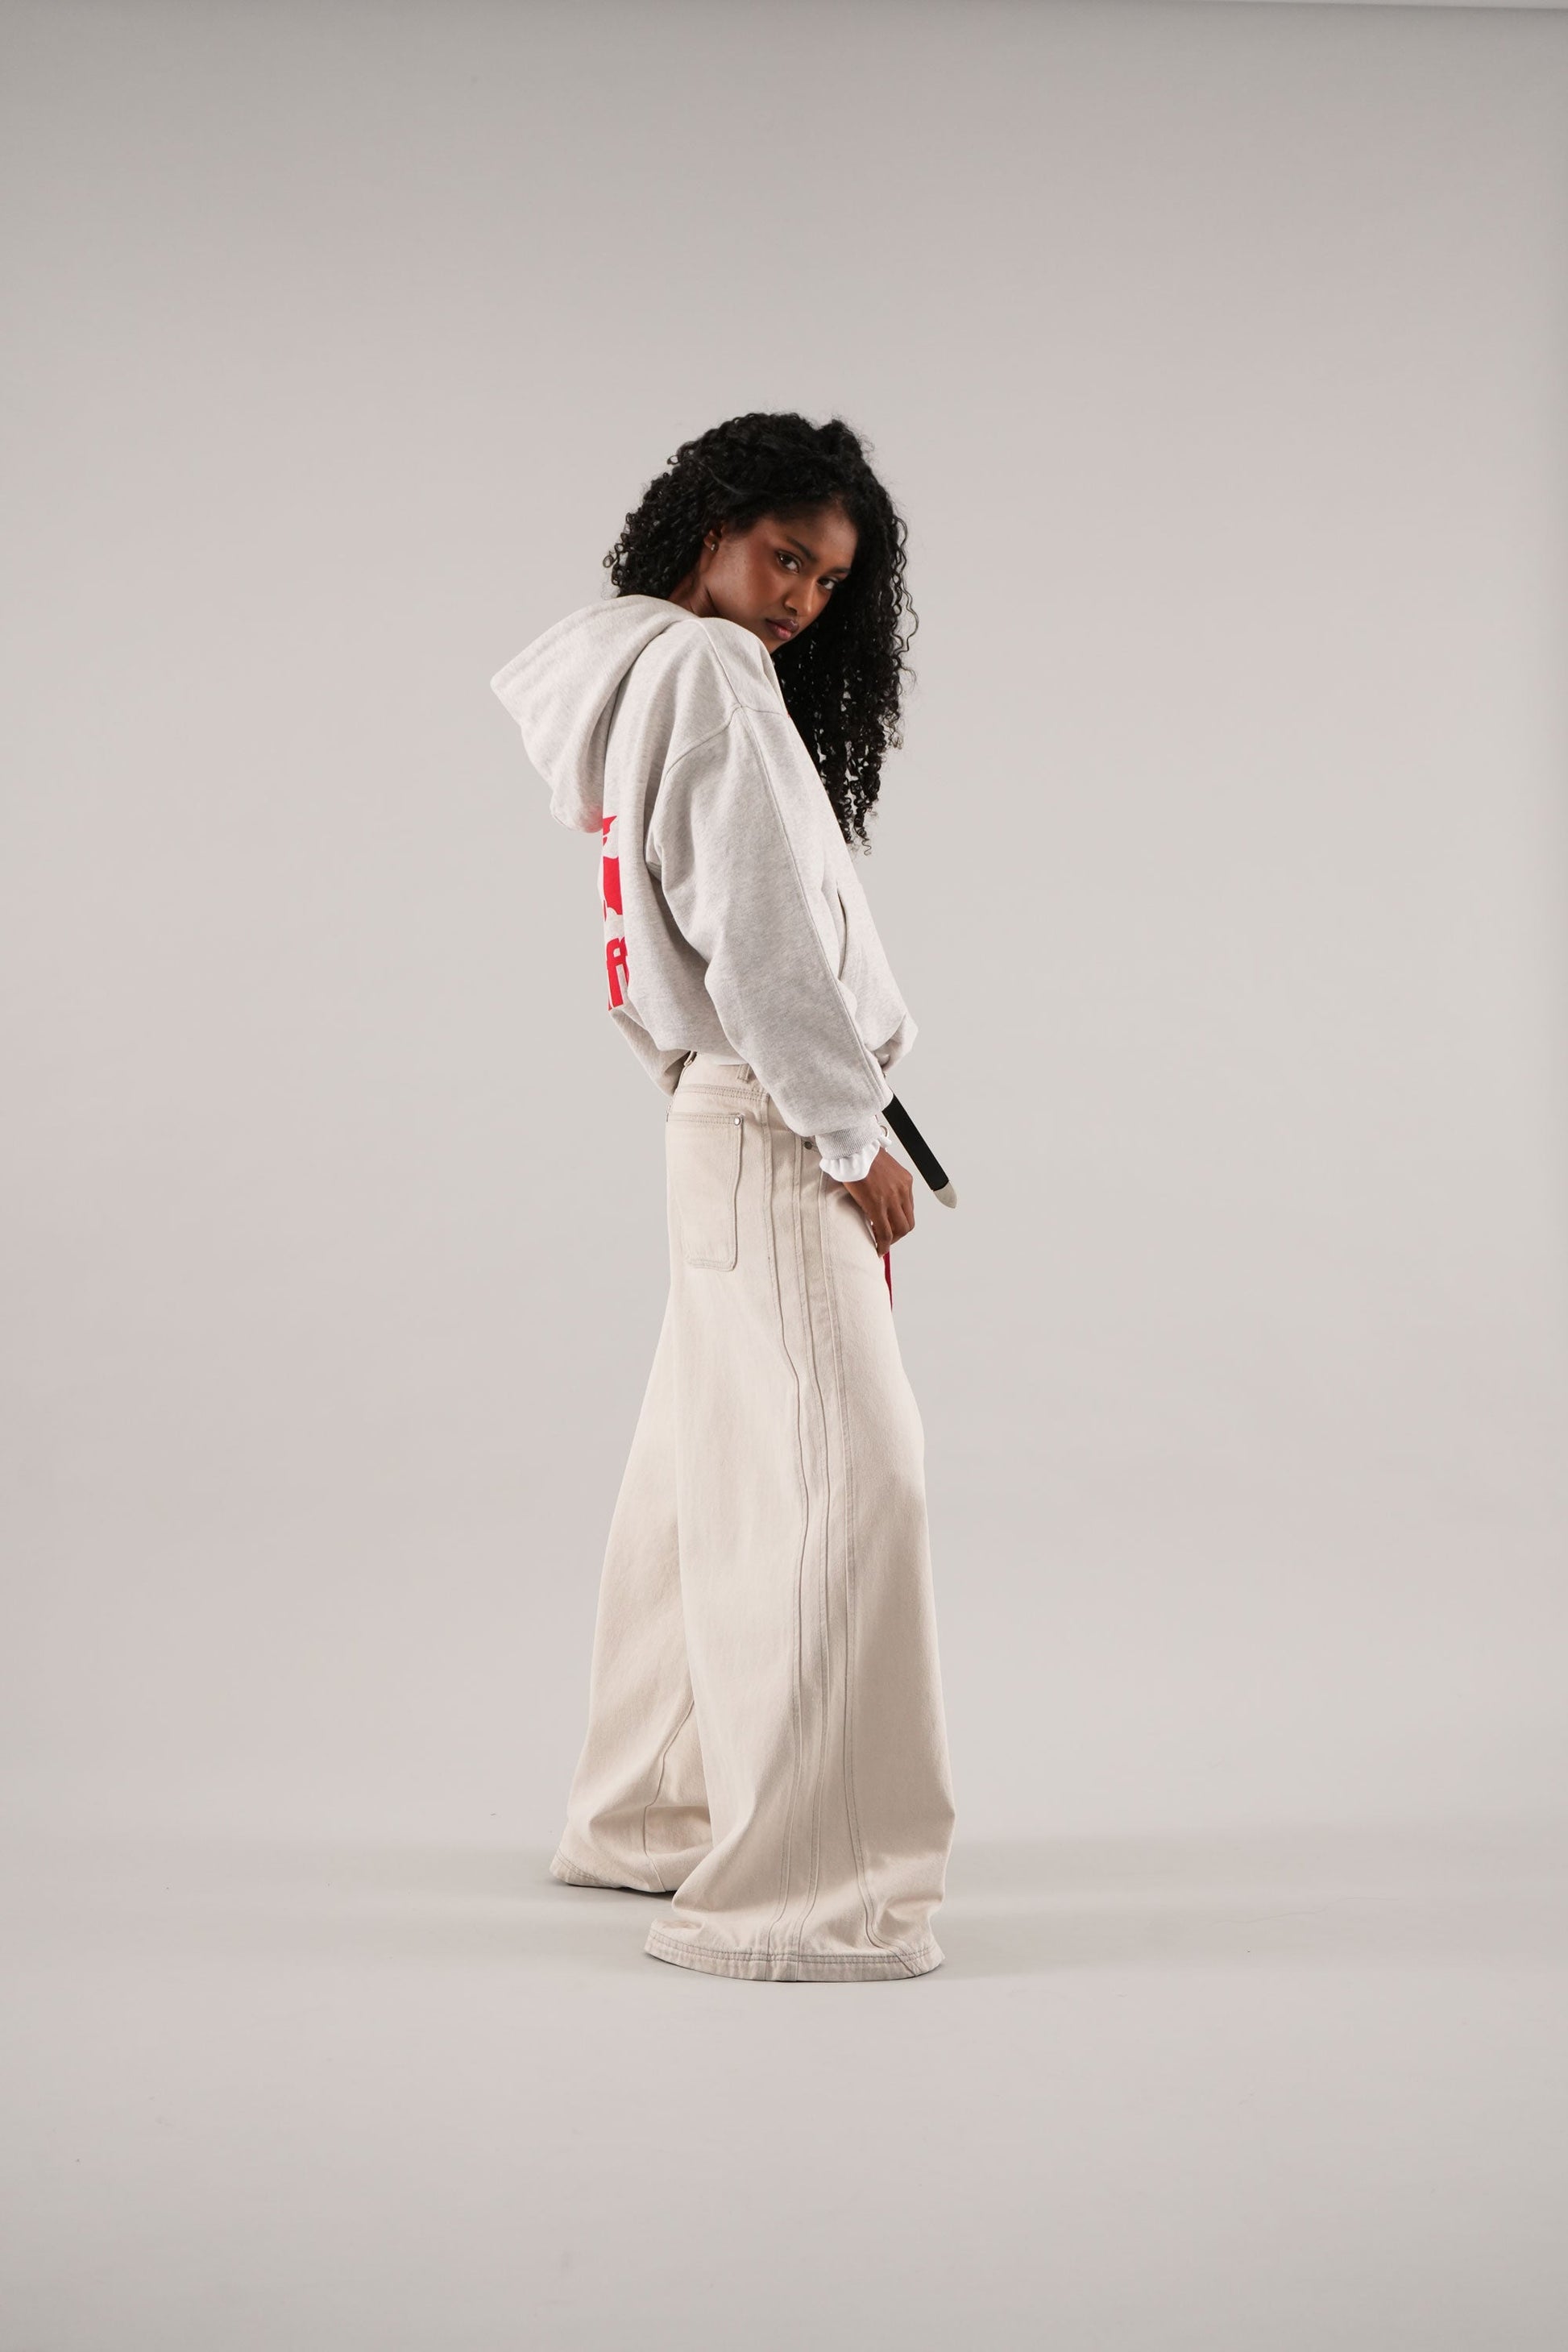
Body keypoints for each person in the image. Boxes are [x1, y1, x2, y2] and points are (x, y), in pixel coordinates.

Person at [490, 411, 956, 1981]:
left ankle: (653, 1811)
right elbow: (753, 926)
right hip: (770, 1115)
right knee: (847, 1486)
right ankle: (818, 1889)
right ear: (707, 531)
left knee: (702, 1472)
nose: (801, 599)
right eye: (783, 557)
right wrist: (845, 1131)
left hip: (719, 1110)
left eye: (827, 580)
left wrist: (734, 1097)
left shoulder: (635, 675)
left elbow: (667, 933)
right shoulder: (703, 669)